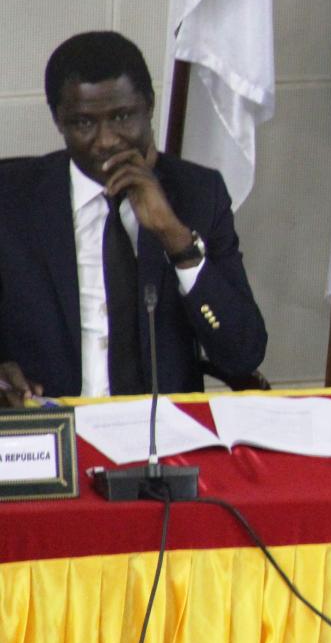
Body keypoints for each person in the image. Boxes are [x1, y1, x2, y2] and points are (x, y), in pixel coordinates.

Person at [0, 31, 267, 405]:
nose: (106, 140)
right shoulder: (11, 199)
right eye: (84, 123)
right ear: (58, 121)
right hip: (50, 426)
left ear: (149, 106)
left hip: (161, 428)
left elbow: (242, 352)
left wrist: (176, 238)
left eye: (122, 116)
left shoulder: (198, 195)